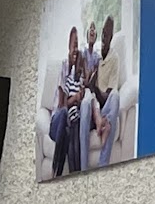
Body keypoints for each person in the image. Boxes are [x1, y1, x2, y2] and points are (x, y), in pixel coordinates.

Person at [84, 16, 124, 168]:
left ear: (111, 37)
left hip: (105, 107)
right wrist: (91, 82)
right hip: (94, 109)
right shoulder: (96, 57)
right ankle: (100, 123)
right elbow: (88, 85)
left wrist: (95, 88)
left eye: (107, 35)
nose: (104, 37)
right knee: (89, 102)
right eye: (103, 34)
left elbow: (108, 94)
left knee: (115, 96)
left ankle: (103, 163)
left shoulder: (114, 58)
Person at [51, 28, 84, 177]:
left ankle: (65, 176)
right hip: (56, 123)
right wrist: (74, 98)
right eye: (74, 45)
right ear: (69, 46)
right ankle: (54, 169)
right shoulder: (63, 68)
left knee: (69, 131)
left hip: (65, 125)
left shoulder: (75, 74)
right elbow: (62, 105)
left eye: (77, 45)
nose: (76, 49)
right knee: (64, 113)